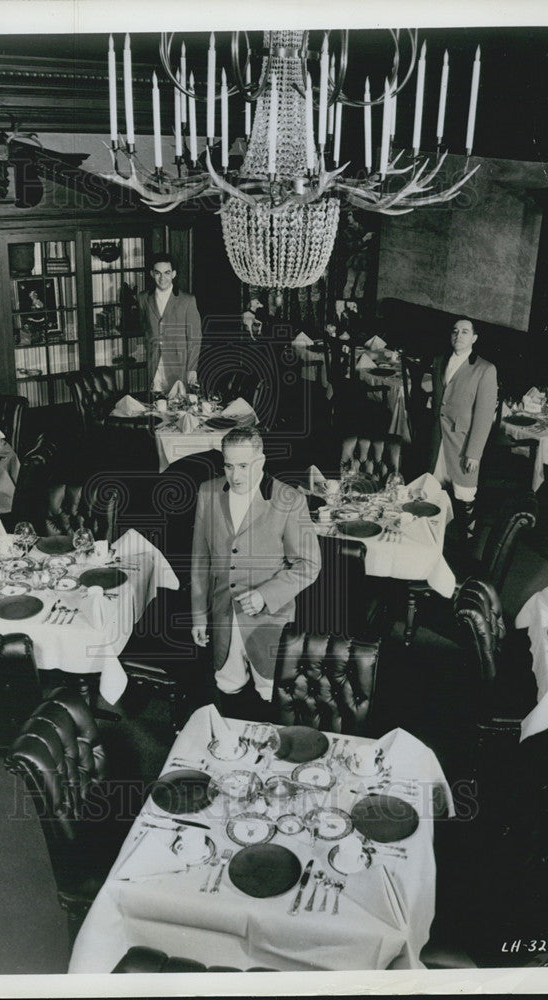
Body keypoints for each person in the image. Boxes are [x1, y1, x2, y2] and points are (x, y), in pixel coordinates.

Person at [191, 427, 321, 718]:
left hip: (268, 622)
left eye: (243, 466)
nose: (234, 475)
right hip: (223, 615)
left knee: (271, 693)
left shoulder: (289, 500)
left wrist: (265, 595)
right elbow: (200, 560)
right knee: (228, 687)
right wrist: (199, 614)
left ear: (260, 461)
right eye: (228, 465)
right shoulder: (208, 493)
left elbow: (309, 564)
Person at [429, 316, 498, 540]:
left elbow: (484, 416)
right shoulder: (440, 360)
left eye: (465, 332)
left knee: (464, 494)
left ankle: (467, 541)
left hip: (462, 443)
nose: (459, 336)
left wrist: (474, 453)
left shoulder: (485, 369)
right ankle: (435, 537)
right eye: (455, 331)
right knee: (434, 489)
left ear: (474, 338)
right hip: (438, 438)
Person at [137, 253, 202, 395]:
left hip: (179, 363)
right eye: (157, 273)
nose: (162, 278)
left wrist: (192, 368)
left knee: (178, 406)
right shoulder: (143, 298)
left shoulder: (187, 300)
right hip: (154, 361)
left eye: (166, 273)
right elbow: (145, 327)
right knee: (157, 404)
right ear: (152, 274)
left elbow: (195, 338)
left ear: (173, 274)